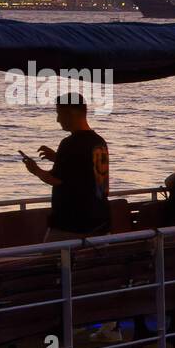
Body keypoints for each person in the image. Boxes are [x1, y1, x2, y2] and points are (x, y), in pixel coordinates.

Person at [21, 95, 110, 240]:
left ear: (71, 113)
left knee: (50, 261)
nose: (58, 119)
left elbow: (56, 179)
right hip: (100, 221)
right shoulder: (99, 142)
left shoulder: (70, 143)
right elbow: (84, 170)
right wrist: (57, 158)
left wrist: (34, 169)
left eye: (59, 113)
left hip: (72, 224)